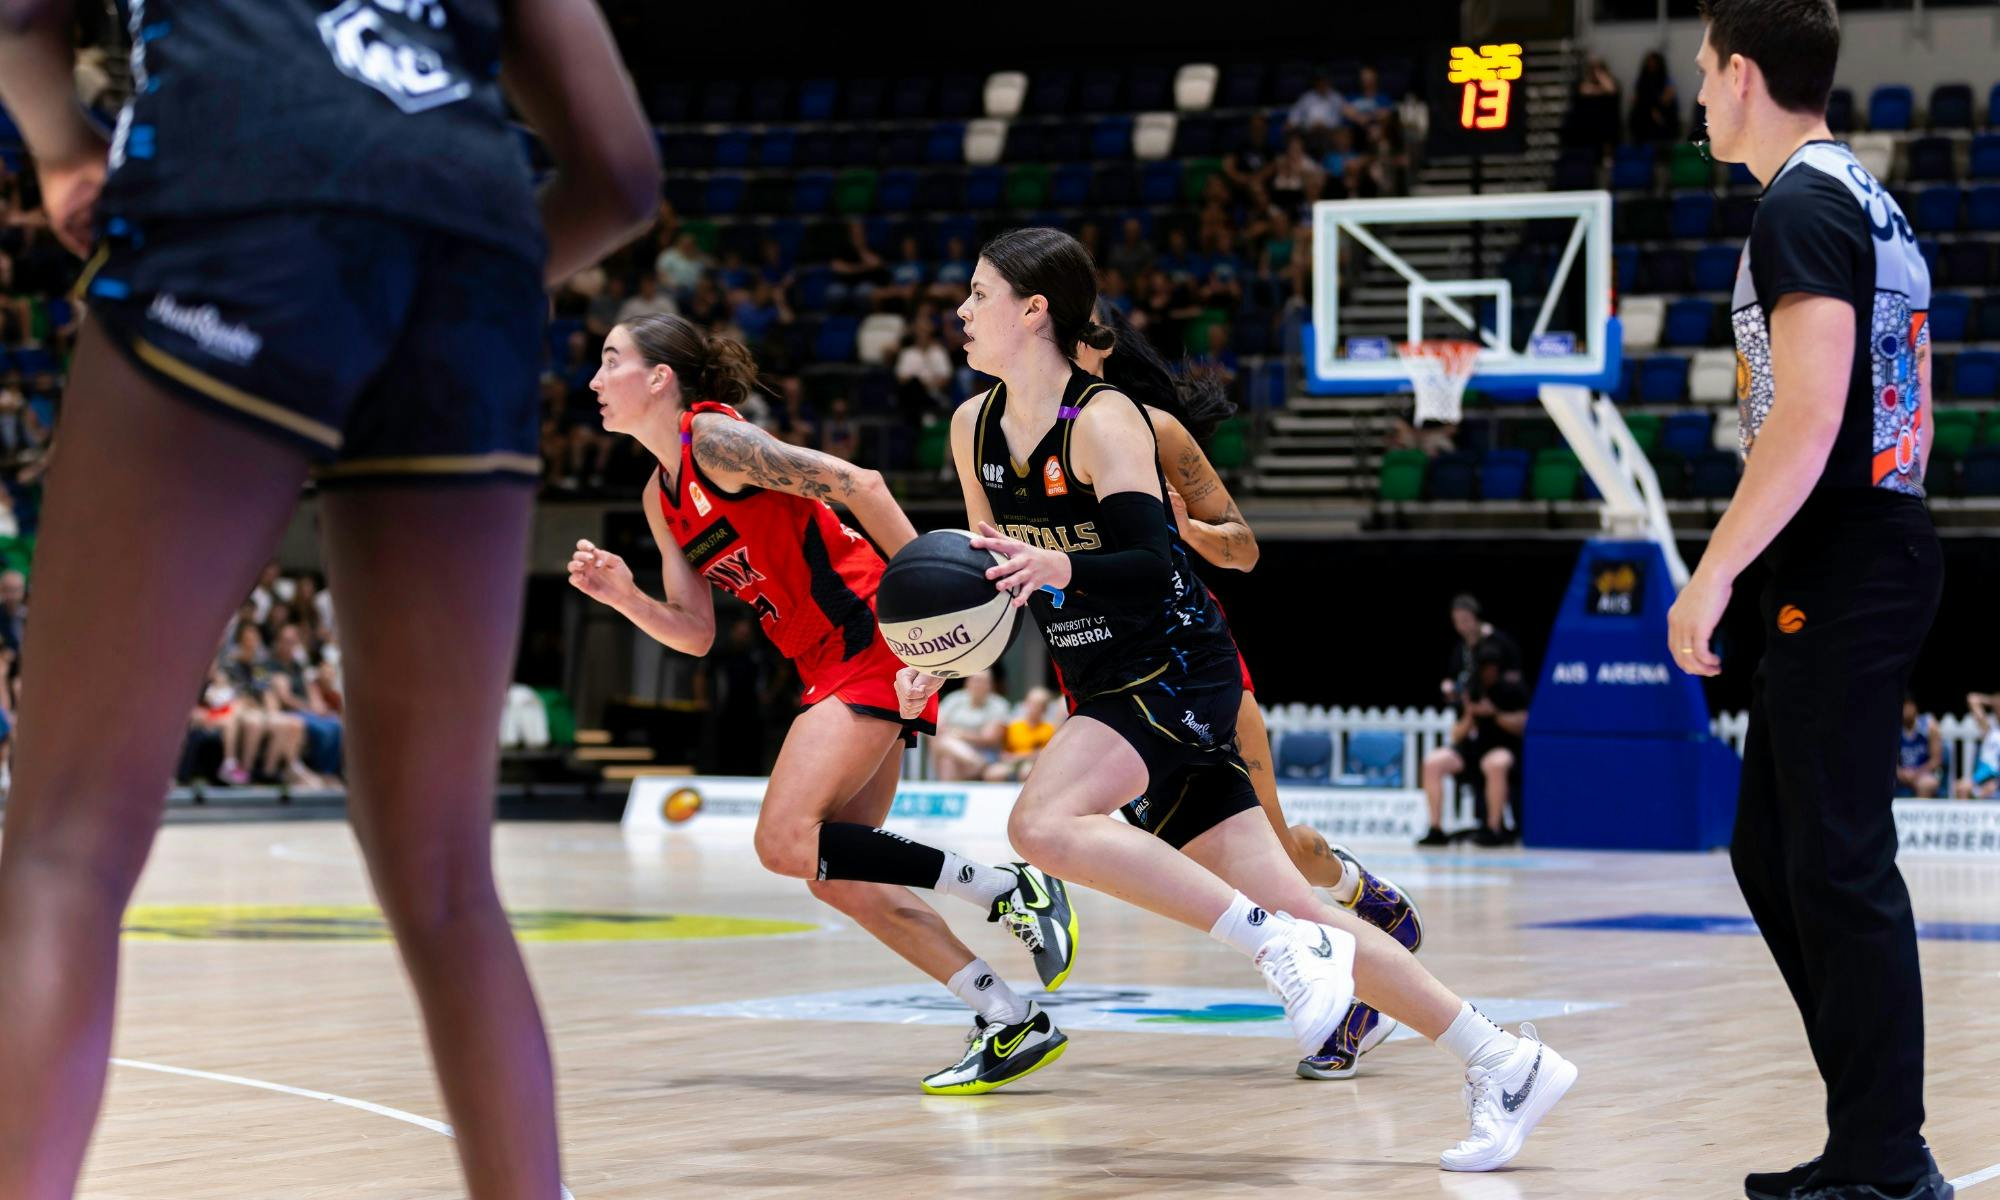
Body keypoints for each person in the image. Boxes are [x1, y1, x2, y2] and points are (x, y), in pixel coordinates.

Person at [0, 0, 661, 1193]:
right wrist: (432, 294)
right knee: (449, 879)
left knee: (66, 847)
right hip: (470, 243)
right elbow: (617, 173)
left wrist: (59, 148)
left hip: (241, 187)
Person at [902, 227, 1575, 1171]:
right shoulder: (971, 428)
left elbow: (1145, 565)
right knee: (1307, 912)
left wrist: (1062, 562)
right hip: (1097, 676)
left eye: (977, 294)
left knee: (1042, 826)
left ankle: (1267, 944)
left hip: (1176, 662)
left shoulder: (1104, 422)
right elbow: (989, 583)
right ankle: (1502, 1058)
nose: (961, 312)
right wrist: (933, 660)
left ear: (1033, 309)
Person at [567, 313, 1077, 1096]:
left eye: (610, 361)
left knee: (782, 841)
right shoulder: (658, 495)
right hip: (825, 662)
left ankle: (1009, 888)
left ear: (660, 377)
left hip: (870, 637)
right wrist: (625, 597)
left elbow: (858, 484)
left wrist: (930, 615)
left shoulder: (716, 443)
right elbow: (697, 634)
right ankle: (1008, 1017)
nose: (594, 380)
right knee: (837, 870)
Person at [1671, 4, 1950, 1198]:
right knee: (1776, 854)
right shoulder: (1855, 192)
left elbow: (1810, 409)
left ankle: (1887, 1158)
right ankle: (1867, 1141)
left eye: (1698, 74)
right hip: (1854, 549)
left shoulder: (1799, 202)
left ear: (1740, 75)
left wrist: (1714, 569)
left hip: (1844, 553)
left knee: (1832, 863)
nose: (1692, 98)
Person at [1075, 299, 1424, 1082]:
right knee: (1208, 862)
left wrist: (1187, 533)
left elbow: (1245, 548)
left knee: (1272, 861)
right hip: (1101, 674)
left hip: (1189, 662)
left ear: (1087, 345)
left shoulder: (1152, 431)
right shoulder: (1009, 440)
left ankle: (1356, 942)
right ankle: (1355, 908)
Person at [1418, 642, 1528, 847]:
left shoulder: (1512, 689)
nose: (1489, 671)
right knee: (1433, 763)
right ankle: (1435, 829)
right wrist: (1470, 715)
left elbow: (1522, 724)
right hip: (1471, 750)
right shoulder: (1471, 689)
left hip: (1501, 747)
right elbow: (1456, 734)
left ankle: (1493, 828)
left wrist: (1494, 713)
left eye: (1492, 666)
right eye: (1485, 666)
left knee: (1494, 763)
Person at [931, 668, 1014, 782]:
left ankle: (977, 765)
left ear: (990, 685)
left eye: (983, 681)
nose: (978, 685)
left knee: (947, 746)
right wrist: (961, 737)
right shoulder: (954, 699)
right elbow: (937, 727)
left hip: (986, 754)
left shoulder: (998, 704)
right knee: (946, 755)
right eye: (975, 680)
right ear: (968, 682)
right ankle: (976, 763)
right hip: (957, 753)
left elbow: (989, 738)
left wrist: (958, 734)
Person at [1441, 594, 1522, 706]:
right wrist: (1449, 686)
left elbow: (1512, 671)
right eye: (1456, 621)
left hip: (1498, 700)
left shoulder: (1495, 640)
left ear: (1476, 616)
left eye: (1465, 619)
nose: (1461, 626)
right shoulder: (1459, 648)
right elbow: (1452, 676)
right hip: (1469, 700)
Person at [984, 686, 1057, 783]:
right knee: (992, 774)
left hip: (1033, 764)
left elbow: (1043, 754)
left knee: (1026, 772)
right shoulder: (1013, 726)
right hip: (1011, 764)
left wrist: (1019, 757)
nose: (1032, 707)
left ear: (1044, 708)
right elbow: (1003, 751)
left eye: (1038, 704)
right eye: (1030, 702)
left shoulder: (1049, 729)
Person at [1629, 50, 1684, 144]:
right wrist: (1650, 109)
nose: (1652, 65)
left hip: (1662, 110)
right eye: (1649, 62)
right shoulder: (1642, 80)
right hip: (1645, 110)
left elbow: (1667, 98)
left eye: (1654, 63)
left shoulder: (1666, 79)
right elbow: (1635, 99)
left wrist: (1657, 109)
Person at [1895, 694, 1942, 799]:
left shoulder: (1929, 725)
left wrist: (1916, 773)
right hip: (1901, 774)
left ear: (1914, 706)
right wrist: (1900, 773)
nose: (1904, 710)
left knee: (1927, 784)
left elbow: (1936, 760)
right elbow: (1887, 760)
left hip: (1923, 773)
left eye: (1907, 705)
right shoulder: (1893, 727)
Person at [1955, 693, 2000, 800]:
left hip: (1996, 779)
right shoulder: (1990, 730)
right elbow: (1972, 699)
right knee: (1961, 787)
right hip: (1982, 777)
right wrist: (1993, 701)